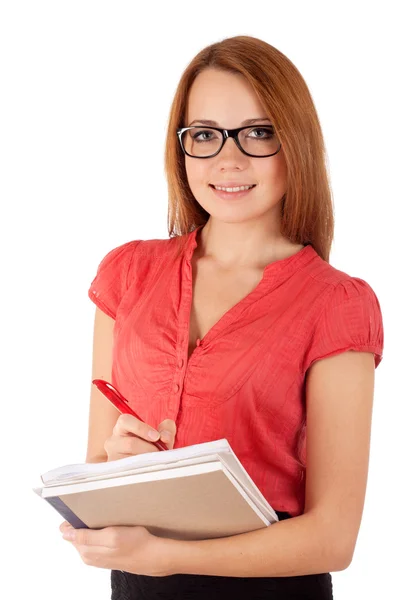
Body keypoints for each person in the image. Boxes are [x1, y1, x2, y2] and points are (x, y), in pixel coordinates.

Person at [59, 35, 384, 599]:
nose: (228, 159)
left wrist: (166, 556)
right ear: (181, 147)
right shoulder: (127, 273)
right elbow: (94, 473)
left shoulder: (338, 303)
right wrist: (119, 463)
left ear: (295, 143)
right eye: (205, 135)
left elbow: (335, 538)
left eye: (258, 133)